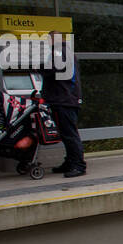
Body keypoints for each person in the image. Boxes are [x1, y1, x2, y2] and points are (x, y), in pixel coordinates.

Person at [41, 31, 85, 176]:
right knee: (67, 134)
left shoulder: (59, 51)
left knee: (70, 134)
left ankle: (78, 165)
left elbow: (55, 69)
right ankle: (70, 162)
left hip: (64, 99)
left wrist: (39, 68)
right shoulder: (66, 51)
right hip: (66, 98)